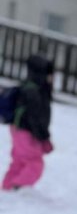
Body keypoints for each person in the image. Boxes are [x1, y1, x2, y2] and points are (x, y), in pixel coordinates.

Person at [3, 53, 54, 191]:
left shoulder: (30, 87)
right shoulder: (35, 92)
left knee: (19, 161)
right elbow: (35, 117)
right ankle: (17, 187)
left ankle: (6, 188)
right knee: (34, 164)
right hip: (28, 132)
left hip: (18, 130)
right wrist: (44, 137)